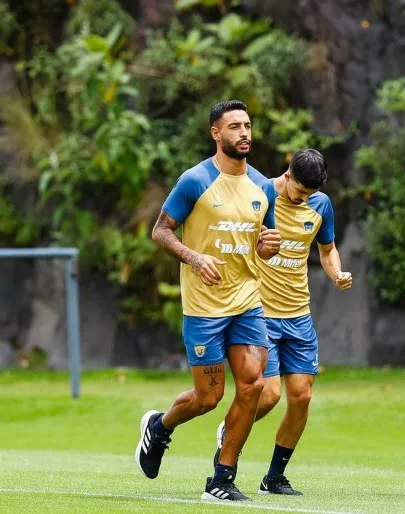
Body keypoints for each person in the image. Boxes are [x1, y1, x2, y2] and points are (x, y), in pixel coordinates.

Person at [136, 99, 281, 501]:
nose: (244, 133)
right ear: (216, 133)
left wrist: (269, 246)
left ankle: (221, 479)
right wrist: (194, 257)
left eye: (248, 125)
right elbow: (161, 231)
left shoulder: (264, 186)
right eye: (234, 126)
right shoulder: (195, 180)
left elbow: (263, 244)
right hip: (203, 306)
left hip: (247, 301)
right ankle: (160, 427)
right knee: (208, 398)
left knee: (252, 386)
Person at [212, 148, 353, 496]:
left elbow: (327, 248)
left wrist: (335, 272)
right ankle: (230, 432)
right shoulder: (259, 195)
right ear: (287, 176)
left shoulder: (320, 205)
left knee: (301, 397)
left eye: (310, 193)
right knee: (269, 394)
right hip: (260, 314)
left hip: (299, 316)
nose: (304, 198)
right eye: (300, 191)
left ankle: (274, 477)